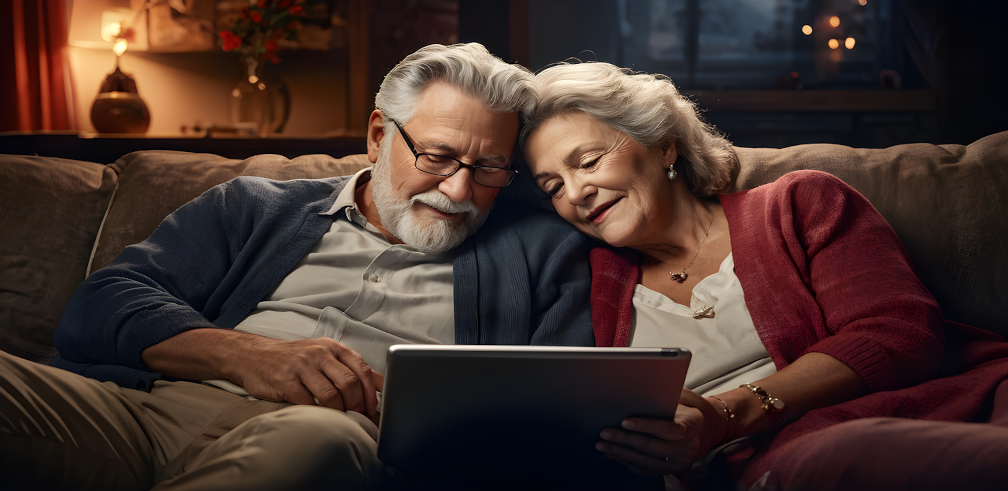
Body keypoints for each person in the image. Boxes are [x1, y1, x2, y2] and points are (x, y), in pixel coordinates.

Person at [0, 43, 594, 491]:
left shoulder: (540, 251)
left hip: (320, 444)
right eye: (437, 156)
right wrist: (244, 355)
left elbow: (562, 413)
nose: (459, 189)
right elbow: (99, 305)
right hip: (143, 411)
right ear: (379, 136)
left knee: (318, 438)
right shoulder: (253, 205)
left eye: (488, 167)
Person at [520, 61, 1008, 491]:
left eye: (588, 162)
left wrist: (726, 415)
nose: (576, 192)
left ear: (663, 146)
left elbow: (900, 333)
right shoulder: (587, 282)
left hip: (923, 415)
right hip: (763, 470)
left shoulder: (798, 203)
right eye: (553, 186)